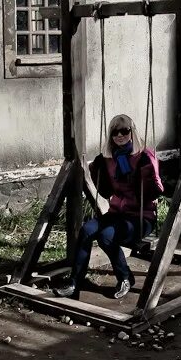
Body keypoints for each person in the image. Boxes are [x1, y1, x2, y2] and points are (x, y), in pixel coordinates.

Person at [54, 114, 164, 300]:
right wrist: (95, 171)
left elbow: (157, 189)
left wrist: (147, 174)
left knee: (106, 236)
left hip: (140, 217)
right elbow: (105, 190)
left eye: (124, 131)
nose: (119, 135)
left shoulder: (145, 155)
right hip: (117, 213)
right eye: (115, 132)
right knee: (87, 230)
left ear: (132, 132)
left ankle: (125, 277)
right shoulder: (108, 159)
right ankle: (75, 282)